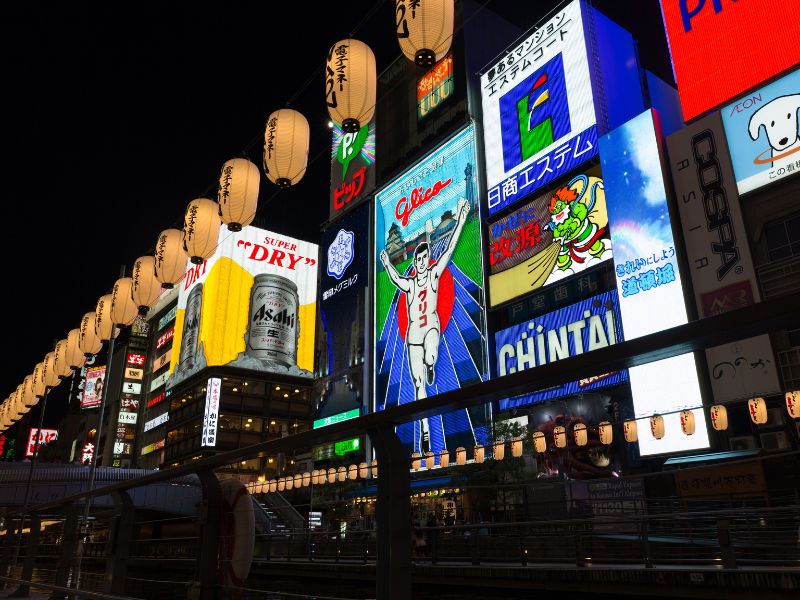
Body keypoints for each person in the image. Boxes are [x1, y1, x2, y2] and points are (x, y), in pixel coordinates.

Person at [379, 197, 470, 453]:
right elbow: (397, 279)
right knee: (418, 386)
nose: (420, 262)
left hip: (431, 326)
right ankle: (426, 435)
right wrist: (386, 263)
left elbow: (450, 249)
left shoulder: (433, 275)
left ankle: (432, 365)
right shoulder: (409, 284)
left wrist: (461, 218)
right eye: (418, 259)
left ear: (427, 259)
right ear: (415, 261)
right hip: (412, 336)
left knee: (431, 355)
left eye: (424, 257)